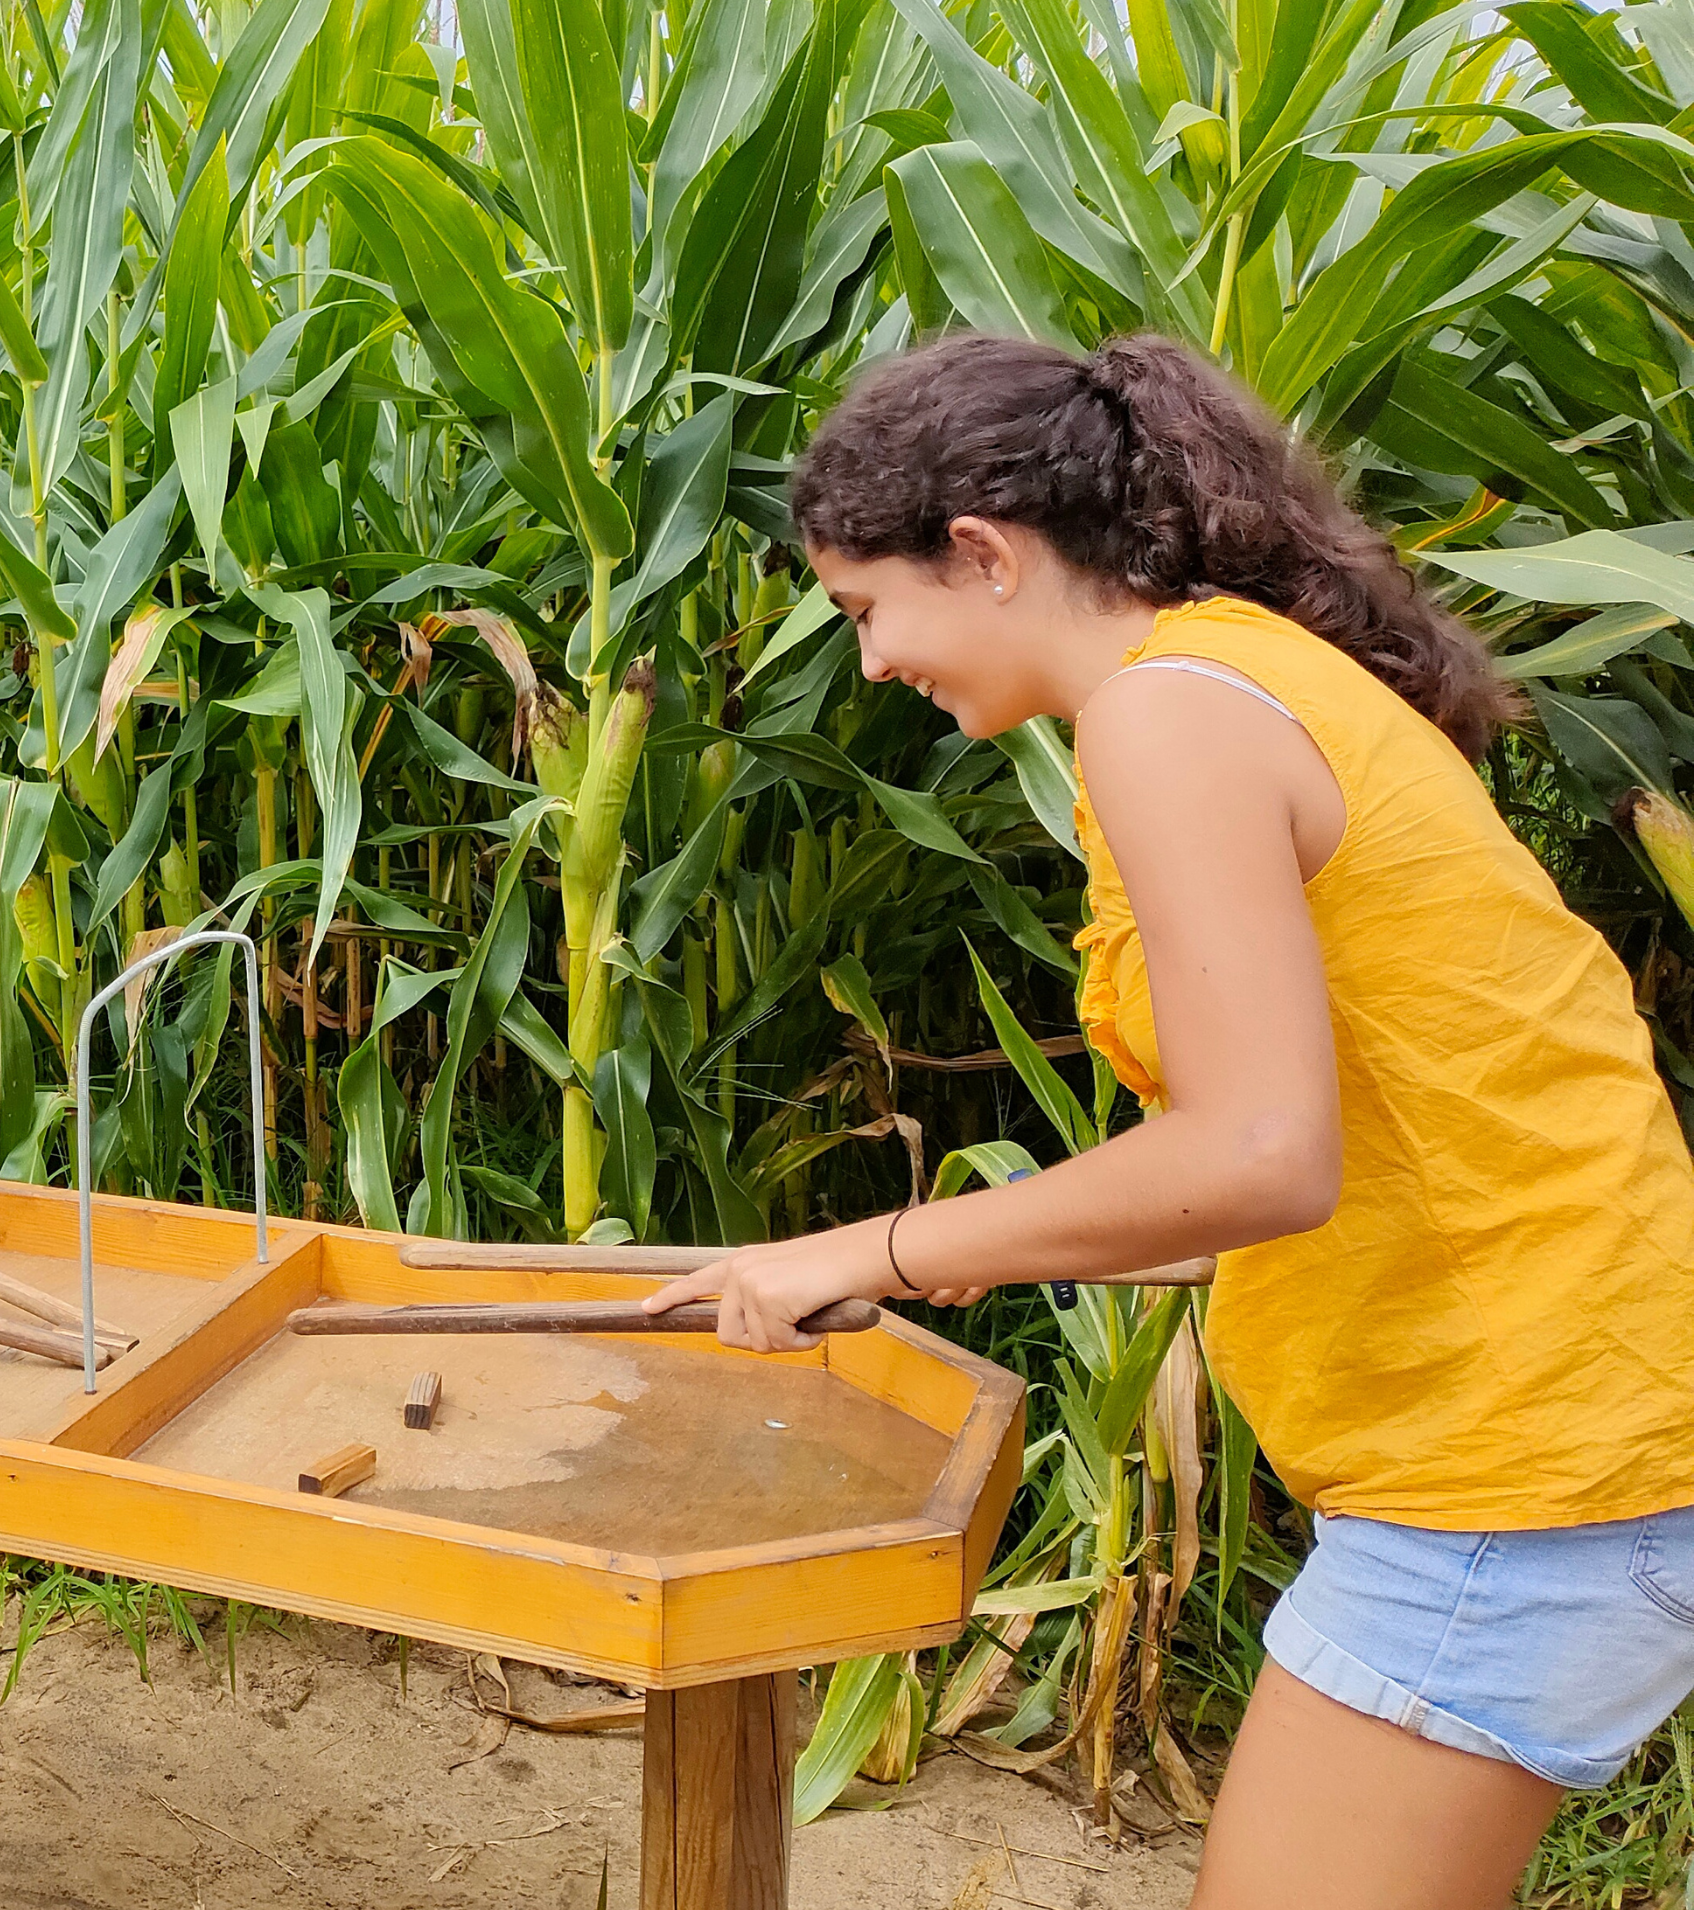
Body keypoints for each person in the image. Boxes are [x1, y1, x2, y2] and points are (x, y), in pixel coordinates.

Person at [650, 333, 1694, 1907]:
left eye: (868, 611)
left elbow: (1261, 1154)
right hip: (1564, 1438)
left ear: (984, 552)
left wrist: (869, 1240)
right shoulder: (1234, 675)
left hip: (1517, 1472)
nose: (869, 664)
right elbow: (1316, 1157)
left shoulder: (1171, 714)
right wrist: (896, 1270)